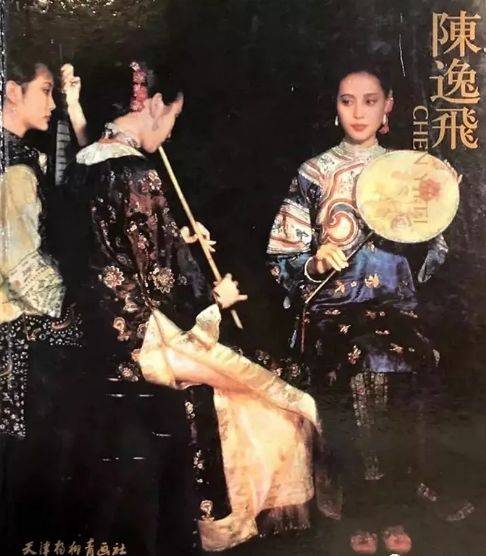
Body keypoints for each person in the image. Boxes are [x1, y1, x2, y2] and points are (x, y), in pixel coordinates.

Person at [58, 60, 319, 553]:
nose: (171, 131)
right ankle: (224, 528)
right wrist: (215, 300)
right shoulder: (136, 172)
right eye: (173, 117)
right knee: (281, 395)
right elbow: (162, 282)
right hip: (144, 340)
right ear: (154, 104)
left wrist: (176, 236)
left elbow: (113, 247)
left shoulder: (84, 164)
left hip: (99, 330)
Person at [266, 58, 470, 554]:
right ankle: (357, 505)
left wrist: (438, 200)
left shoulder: (408, 170)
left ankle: (397, 502)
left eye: (370, 101)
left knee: (412, 359)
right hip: (332, 310)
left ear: (388, 108)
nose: (358, 112)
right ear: (335, 108)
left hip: (393, 310)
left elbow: (431, 255)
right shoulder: (314, 172)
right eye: (347, 101)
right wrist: (315, 262)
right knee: (359, 362)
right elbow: (283, 255)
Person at [0, 55, 84, 551]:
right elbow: (19, 264)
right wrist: (73, 309)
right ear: (13, 91)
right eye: (46, 90)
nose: (52, 103)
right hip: (15, 330)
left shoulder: (22, 158)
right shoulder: (13, 166)